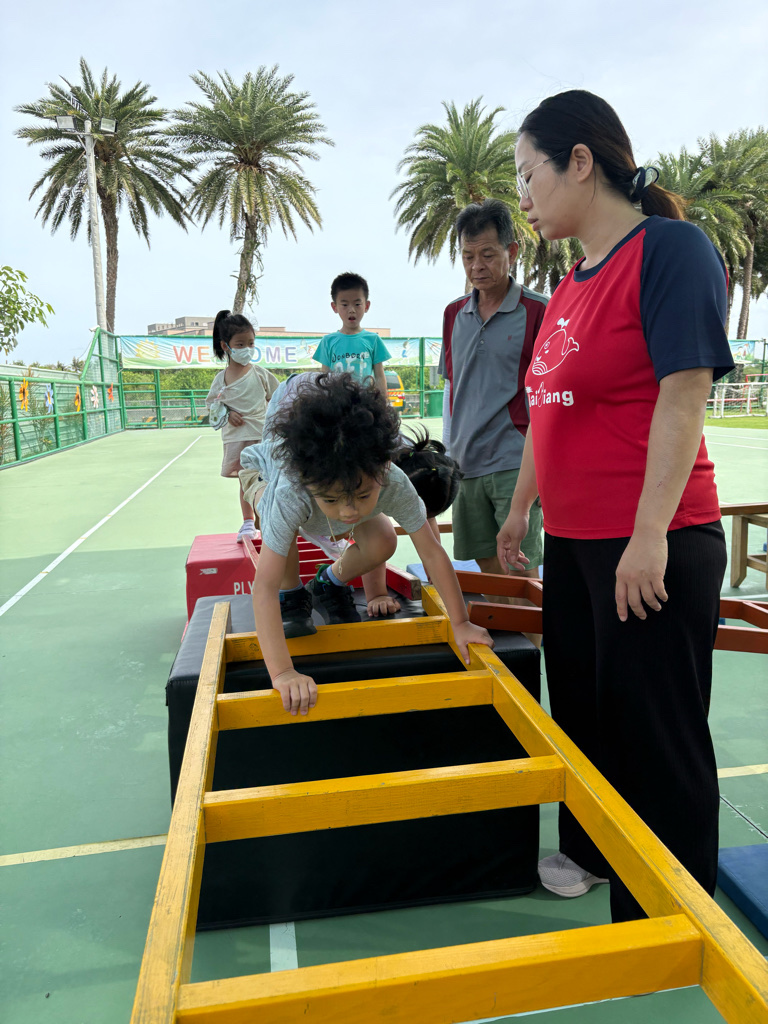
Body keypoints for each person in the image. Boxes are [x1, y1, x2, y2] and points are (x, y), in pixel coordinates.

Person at [496, 90, 734, 923]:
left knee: (656, 738)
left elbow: (685, 391)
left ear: (581, 162)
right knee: (589, 723)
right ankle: (598, 857)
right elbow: (548, 406)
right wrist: (520, 510)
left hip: (652, 543)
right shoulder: (570, 284)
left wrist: (648, 535)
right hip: (577, 544)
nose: (522, 196)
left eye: (528, 173)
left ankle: (671, 917)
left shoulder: (670, 250)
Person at [241, 372, 493, 715]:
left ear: (384, 469)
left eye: (363, 495)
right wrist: (283, 672)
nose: (348, 511)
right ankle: (294, 594)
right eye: (332, 500)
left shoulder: (392, 480)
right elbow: (264, 588)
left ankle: (328, 580)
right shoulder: (292, 489)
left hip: (332, 485)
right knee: (279, 540)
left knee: (383, 539)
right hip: (268, 480)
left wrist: (460, 623)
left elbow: (432, 553)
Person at [439, 199, 547, 598]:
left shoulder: (540, 311)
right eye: (467, 256)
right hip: (465, 464)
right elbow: (452, 388)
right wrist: (448, 452)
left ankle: (529, 641)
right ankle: (508, 638)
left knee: (520, 571)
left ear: (511, 251)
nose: (476, 266)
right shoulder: (453, 314)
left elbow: (552, 396)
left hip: (515, 463)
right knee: (487, 567)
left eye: (487, 254)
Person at [205, 310, 279, 542]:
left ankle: (272, 520)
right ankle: (248, 522)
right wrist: (227, 414)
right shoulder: (221, 379)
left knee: (270, 480)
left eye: (251, 343)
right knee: (246, 481)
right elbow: (211, 405)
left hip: (263, 438)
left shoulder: (260, 374)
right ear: (226, 346)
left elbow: (279, 397)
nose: (247, 348)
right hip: (238, 439)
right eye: (240, 344)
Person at [313, 272, 390, 394]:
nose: (351, 310)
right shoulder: (327, 341)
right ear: (334, 307)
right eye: (344, 304)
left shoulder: (373, 340)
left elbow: (379, 376)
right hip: (337, 403)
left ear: (366, 306)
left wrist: (383, 402)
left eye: (357, 304)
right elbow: (324, 379)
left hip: (365, 403)